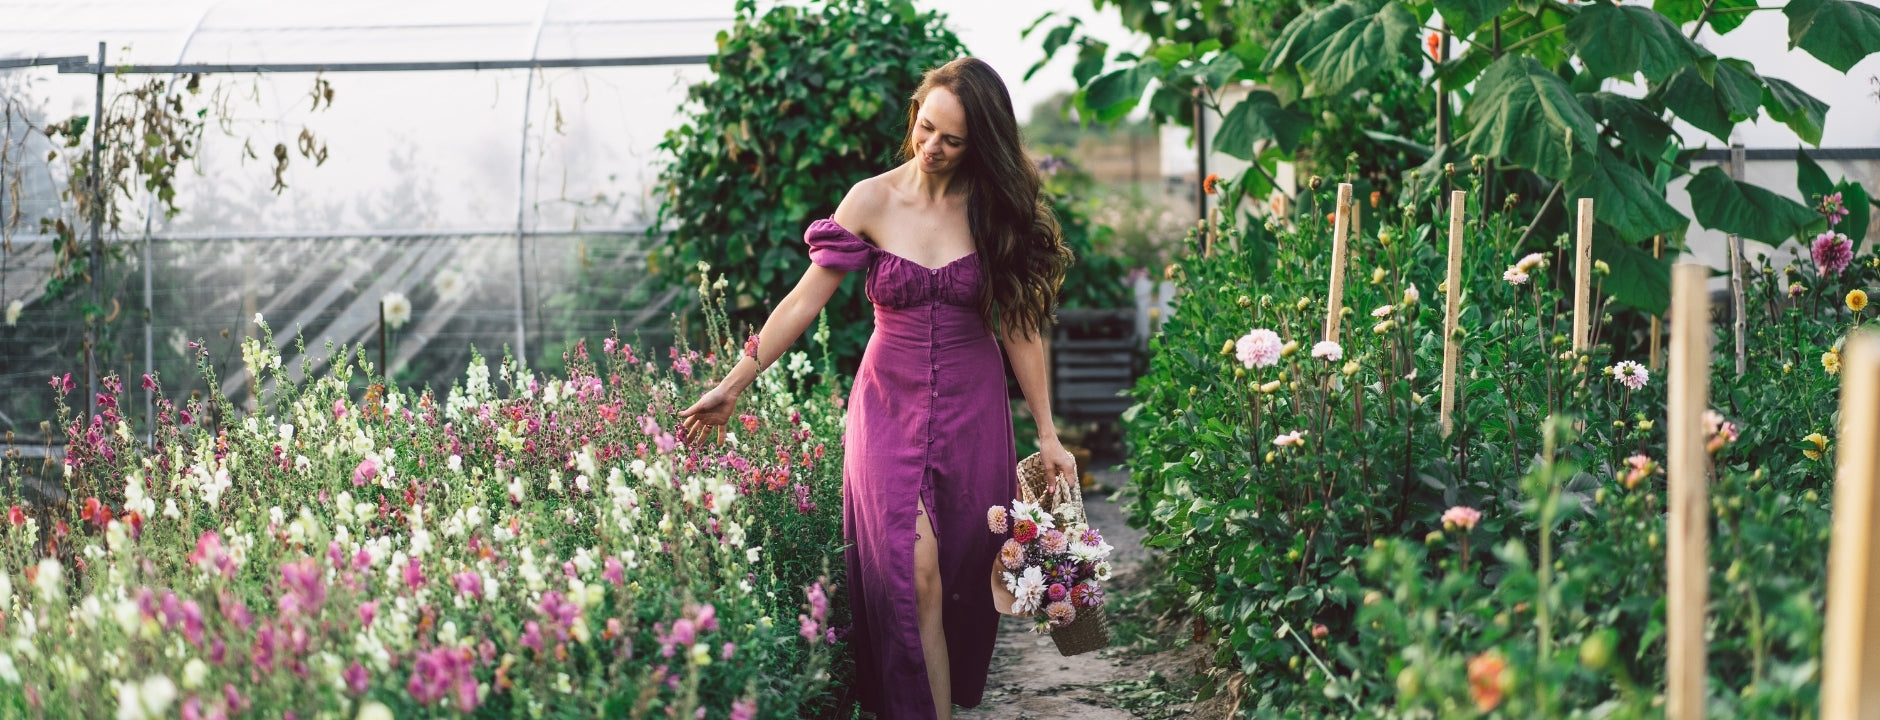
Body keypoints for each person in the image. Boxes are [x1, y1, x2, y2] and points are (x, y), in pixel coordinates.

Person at [677, 57, 1076, 719]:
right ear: (915, 114)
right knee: (910, 572)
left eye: (952, 139)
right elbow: (804, 303)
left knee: (959, 588)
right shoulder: (870, 200)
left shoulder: (992, 212)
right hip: (886, 409)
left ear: (981, 143)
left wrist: (1048, 432)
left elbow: (1022, 327)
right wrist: (734, 384)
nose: (932, 147)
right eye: (926, 128)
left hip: (974, 413)